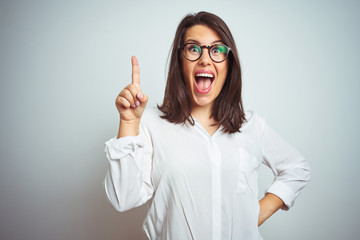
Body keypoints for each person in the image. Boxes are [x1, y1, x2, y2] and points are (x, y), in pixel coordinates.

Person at [104, 11, 311, 240]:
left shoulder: (252, 126)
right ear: (180, 61)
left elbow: (297, 169)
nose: (205, 59)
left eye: (217, 50)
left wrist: (255, 215)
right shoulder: (150, 124)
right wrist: (128, 123)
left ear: (229, 63)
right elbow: (123, 198)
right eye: (193, 48)